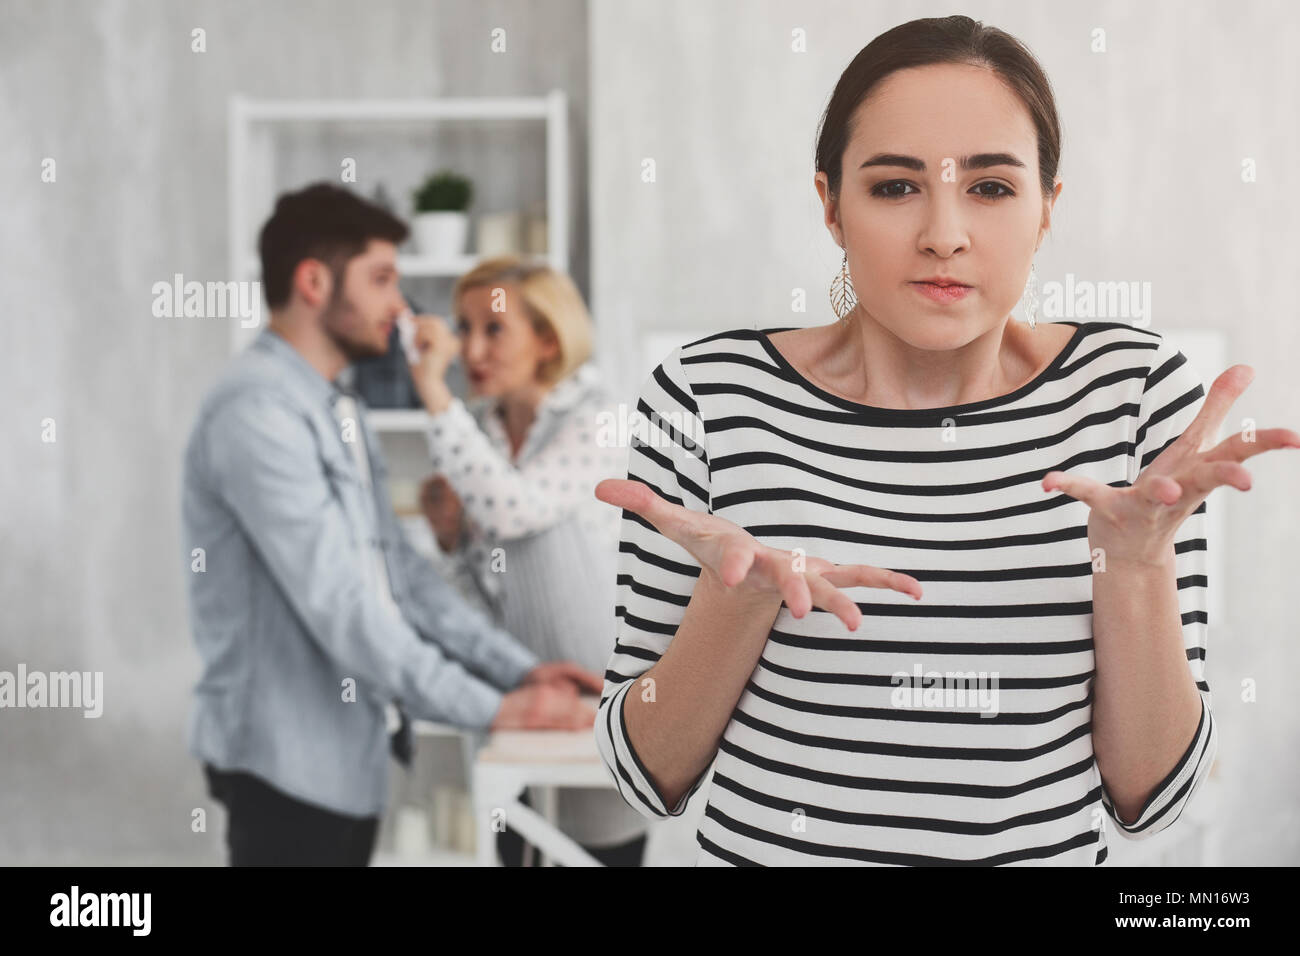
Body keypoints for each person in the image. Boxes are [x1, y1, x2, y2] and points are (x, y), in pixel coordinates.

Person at [590, 15, 1300, 866]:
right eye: (895, 186)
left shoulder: (1131, 394)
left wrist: (1136, 567)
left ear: (1047, 209)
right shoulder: (706, 397)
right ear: (830, 204)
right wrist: (736, 605)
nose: (944, 234)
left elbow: (1150, 800)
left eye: (992, 188)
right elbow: (645, 778)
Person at [181, 183, 599, 867]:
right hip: (283, 765)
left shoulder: (335, 408)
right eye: (380, 279)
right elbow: (344, 607)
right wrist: (494, 709)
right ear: (313, 282)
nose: (400, 306)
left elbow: (399, 576)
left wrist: (520, 672)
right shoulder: (256, 414)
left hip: (348, 760)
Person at [406, 255, 652, 866]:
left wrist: (433, 393)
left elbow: (518, 509)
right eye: (464, 330)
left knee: (601, 846)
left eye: (493, 329)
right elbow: (485, 604)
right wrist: (454, 542)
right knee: (513, 846)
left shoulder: (596, 418)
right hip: (523, 704)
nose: (470, 349)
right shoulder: (483, 439)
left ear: (547, 339)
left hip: (597, 705)